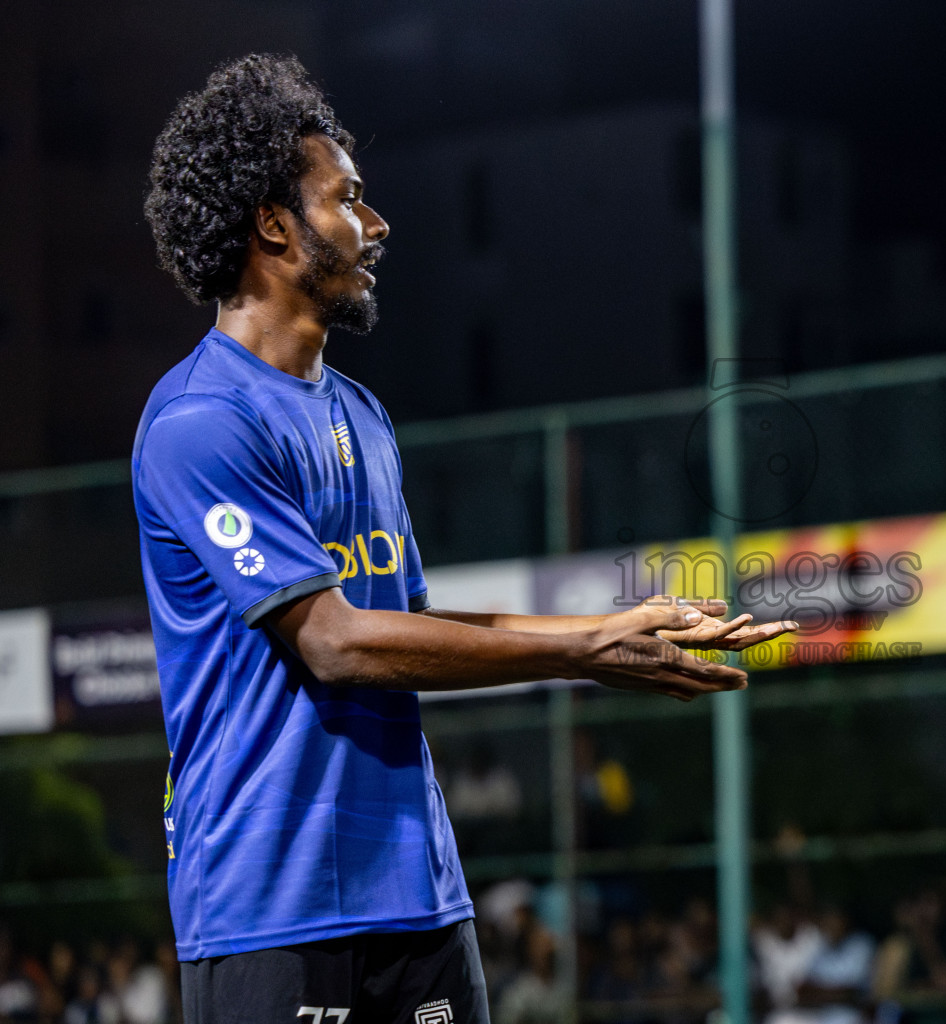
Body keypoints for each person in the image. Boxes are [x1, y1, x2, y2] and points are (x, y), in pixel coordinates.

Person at [136, 54, 795, 1024]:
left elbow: (403, 624)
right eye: (348, 200)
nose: (377, 225)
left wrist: (602, 633)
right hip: (269, 912)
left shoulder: (361, 415)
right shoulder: (201, 421)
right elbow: (334, 643)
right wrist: (583, 647)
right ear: (274, 224)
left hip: (417, 894)